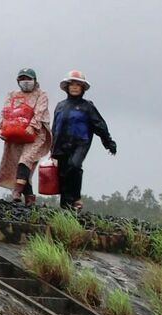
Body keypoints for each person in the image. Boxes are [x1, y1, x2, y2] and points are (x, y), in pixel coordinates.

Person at [49, 70, 116, 210]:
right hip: (61, 144)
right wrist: (51, 147)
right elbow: (55, 128)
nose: (74, 87)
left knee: (74, 166)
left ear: (82, 88)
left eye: (78, 84)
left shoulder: (87, 106)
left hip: (80, 142)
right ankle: (66, 205)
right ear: (67, 87)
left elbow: (99, 125)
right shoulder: (60, 106)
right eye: (71, 84)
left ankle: (76, 198)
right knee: (63, 173)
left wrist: (108, 142)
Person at [0, 68, 52, 204]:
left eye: (28, 79)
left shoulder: (41, 94)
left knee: (25, 160)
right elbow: (5, 111)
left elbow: (39, 111)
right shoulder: (12, 94)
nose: (25, 82)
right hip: (16, 132)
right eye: (22, 79)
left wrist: (32, 126)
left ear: (35, 80)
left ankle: (17, 191)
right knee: (17, 163)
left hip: (36, 134)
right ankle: (29, 197)